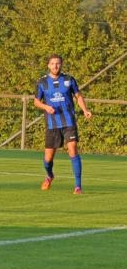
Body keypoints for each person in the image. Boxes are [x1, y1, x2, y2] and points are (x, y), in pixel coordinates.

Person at [34, 54, 92, 194]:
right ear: (48, 65)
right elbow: (36, 101)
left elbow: (78, 96)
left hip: (68, 122)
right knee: (48, 159)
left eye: (58, 63)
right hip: (52, 124)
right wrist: (46, 107)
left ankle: (78, 186)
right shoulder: (42, 82)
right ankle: (49, 175)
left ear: (61, 65)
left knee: (72, 148)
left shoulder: (69, 79)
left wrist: (85, 110)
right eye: (53, 63)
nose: (55, 66)